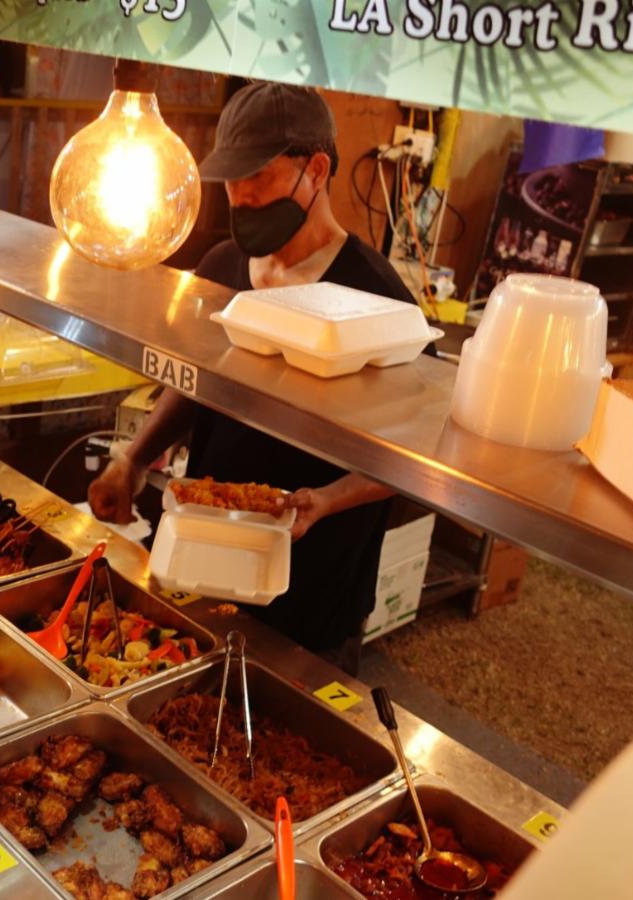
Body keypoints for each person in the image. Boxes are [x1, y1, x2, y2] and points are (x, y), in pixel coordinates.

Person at [89, 83, 430, 669]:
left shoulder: (376, 296)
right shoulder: (221, 267)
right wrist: (134, 459)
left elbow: (414, 454)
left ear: (316, 170)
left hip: (313, 577)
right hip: (205, 551)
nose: (241, 195)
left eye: (259, 176)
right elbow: (196, 383)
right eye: (232, 178)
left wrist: (327, 500)